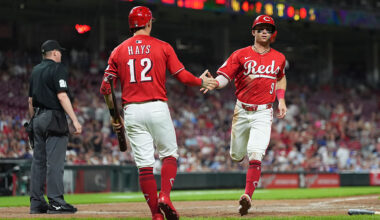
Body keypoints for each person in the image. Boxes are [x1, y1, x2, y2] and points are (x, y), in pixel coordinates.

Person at [99, 6, 218, 220]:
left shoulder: (118, 50)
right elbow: (182, 77)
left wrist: (114, 117)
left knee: (144, 165)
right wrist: (202, 81)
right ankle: (165, 196)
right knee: (169, 154)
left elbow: (106, 88)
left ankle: (156, 215)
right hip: (157, 107)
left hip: (132, 110)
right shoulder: (162, 46)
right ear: (149, 23)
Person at [203, 15, 287, 216]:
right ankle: (243, 168)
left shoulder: (279, 57)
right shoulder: (240, 55)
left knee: (256, 153)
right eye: (260, 29)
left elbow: (281, 78)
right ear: (253, 32)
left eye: (268, 29)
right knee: (236, 155)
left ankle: (247, 195)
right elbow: (225, 76)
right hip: (241, 111)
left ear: (271, 32)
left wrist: (281, 99)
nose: (264, 31)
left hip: (263, 112)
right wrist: (215, 83)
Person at [28, 40, 82, 214]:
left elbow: (30, 101)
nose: (61, 54)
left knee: (38, 163)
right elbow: (62, 96)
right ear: (54, 53)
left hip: (37, 118)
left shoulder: (35, 70)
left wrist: (32, 123)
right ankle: (56, 201)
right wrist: (74, 119)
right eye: (59, 52)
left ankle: (36, 203)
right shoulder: (57, 68)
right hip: (53, 117)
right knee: (55, 163)